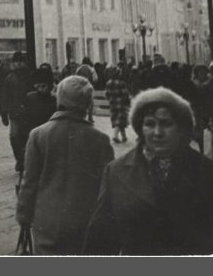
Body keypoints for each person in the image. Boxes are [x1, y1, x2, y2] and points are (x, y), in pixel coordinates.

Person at [83, 87, 213, 254]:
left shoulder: (205, 170)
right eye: (149, 124)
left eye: (167, 124)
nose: (158, 132)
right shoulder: (116, 171)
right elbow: (100, 240)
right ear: (139, 128)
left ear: (181, 128)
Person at [16, 76, 114, 254]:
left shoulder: (38, 135)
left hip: (48, 223)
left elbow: (29, 183)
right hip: (86, 224)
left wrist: (24, 216)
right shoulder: (101, 140)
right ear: (87, 104)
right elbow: (108, 188)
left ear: (59, 99)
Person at [14, 67, 56, 175]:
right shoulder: (30, 98)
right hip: (33, 136)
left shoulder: (55, 100)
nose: (41, 89)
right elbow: (23, 119)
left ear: (49, 86)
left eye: (44, 86)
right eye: (38, 86)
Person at [104, 66, 131, 143]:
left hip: (112, 103)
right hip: (121, 103)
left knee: (117, 119)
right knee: (120, 120)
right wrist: (128, 101)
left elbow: (106, 94)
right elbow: (125, 94)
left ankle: (124, 137)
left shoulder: (108, 83)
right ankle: (115, 135)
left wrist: (110, 98)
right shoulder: (122, 83)